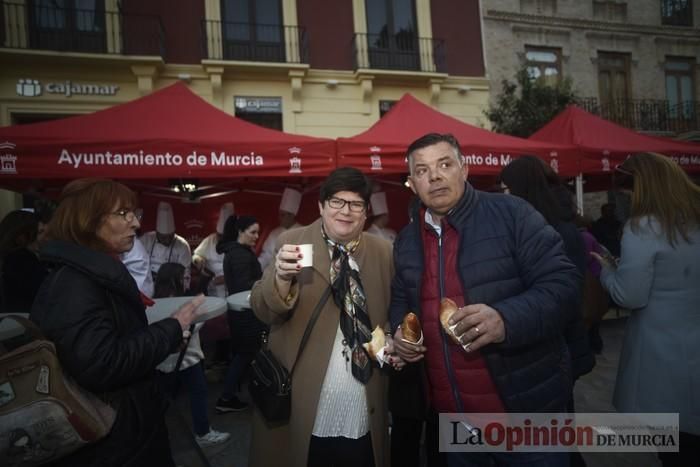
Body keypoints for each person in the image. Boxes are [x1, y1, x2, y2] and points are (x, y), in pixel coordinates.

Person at [391, 134, 579, 467]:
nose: (434, 176)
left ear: (463, 170)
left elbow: (563, 285)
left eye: (444, 164)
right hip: (456, 423)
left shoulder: (512, 214)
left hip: (525, 414)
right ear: (412, 183)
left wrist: (505, 320)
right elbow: (401, 302)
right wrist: (400, 334)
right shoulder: (406, 240)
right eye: (422, 170)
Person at [29, 178, 205, 467]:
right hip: (113, 444)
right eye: (123, 213)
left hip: (125, 434)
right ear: (90, 220)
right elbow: (102, 364)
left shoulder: (90, 274)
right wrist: (172, 327)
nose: (135, 223)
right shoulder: (74, 284)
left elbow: (114, 343)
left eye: (134, 213)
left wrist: (166, 340)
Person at [249, 167, 396, 467]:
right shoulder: (295, 242)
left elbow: (387, 317)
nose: (346, 211)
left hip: (361, 393)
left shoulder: (382, 251)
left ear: (366, 211)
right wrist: (280, 279)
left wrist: (389, 343)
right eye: (337, 202)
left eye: (356, 204)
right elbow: (264, 310)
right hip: (305, 391)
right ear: (321, 205)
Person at [591, 153, 700, 467]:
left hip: (665, 355)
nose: (625, 201)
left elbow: (630, 296)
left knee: (677, 448)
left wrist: (606, 270)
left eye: (627, 193)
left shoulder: (644, 227)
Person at [500, 155, 595, 467]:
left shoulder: (551, 232)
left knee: (556, 434)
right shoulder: (559, 223)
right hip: (559, 342)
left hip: (557, 344)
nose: (504, 196)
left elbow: (561, 295)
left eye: (507, 188)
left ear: (522, 189)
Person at [153, 262, 231, 448]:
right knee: (198, 392)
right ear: (175, 280)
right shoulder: (184, 304)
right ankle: (203, 433)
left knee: (161, 402)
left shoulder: (155, 301)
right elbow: (194, 327)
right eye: (185, 277)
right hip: (188, 359)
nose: (189, 280)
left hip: (162, 362)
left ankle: (156, 439)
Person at [215, 215, 263, 413]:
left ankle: (232, 395)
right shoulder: (240, 255)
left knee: (243, 355)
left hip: (239, 311)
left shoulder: (235, 252)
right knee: (245, 355)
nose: (257, 236)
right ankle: (227, 397)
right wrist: (265, 281)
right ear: (240, 232)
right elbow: (244, 285)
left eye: (258, 232)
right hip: (245, 312)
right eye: (252, 232)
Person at [0, 209, 48, 313]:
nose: (46, 237)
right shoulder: (20, 261)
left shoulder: (13, 259)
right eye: (40, 232)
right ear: (22, 236)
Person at [141, 201, 192, 287]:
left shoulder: (182, 245)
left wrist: (183, 288)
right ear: (157, 233)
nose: (168, 240)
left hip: (170, 289)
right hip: (146, 286)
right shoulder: (145, 240)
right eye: (163, 237)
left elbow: (185, 273)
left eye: (170, 236)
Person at [192, 202, 235, 297]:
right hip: (212, 289)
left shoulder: (241, 243)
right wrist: (198, 260)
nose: (220, 239)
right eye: (219, 235)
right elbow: (197, 255)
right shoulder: (211, 239)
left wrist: (226, 278)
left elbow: (246, 271)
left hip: (233, 288)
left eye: (223, 236)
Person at [258, 187, 302, 270]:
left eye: (283, 215)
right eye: (279, 214)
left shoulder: (304, 232)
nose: (279, 218)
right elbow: (266, 256)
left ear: (292, 215)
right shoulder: (274, 233)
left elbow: (304, 262)